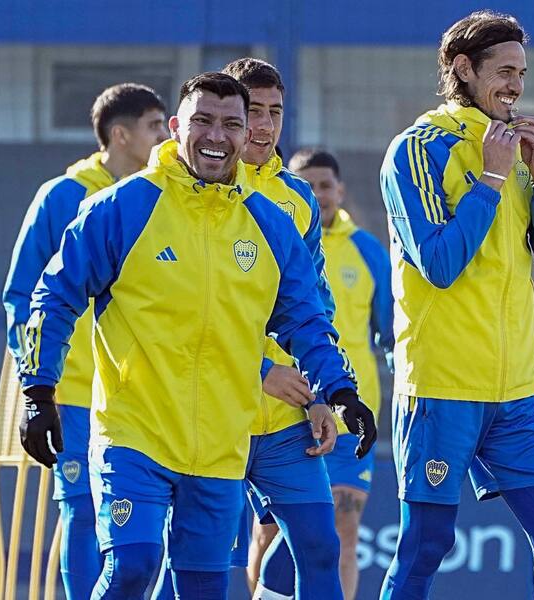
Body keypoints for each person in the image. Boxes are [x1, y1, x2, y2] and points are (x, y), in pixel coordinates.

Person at [16, 71, 376, 600]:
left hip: (220, 443)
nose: (218, 135)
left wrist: (339, 391)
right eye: (203, 121)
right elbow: (55, 295)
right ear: (178, 127)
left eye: (231, 123)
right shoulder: (123, 206)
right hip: (135, 431)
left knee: (205, 587)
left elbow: (306, 318)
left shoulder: (269, 223)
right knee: (134, 565)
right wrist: (37, 391)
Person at [379, 10, 534, 600]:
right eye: (503, 71)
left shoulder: (520, 151)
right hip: (442, 387)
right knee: (425, 545)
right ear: (463, 70)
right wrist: (491, 182)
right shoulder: (416, 149)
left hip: (518, 391)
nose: (515, 86)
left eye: (521, 73)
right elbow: (439, 264)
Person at [152, 57, 354, 600]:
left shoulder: (297, 199)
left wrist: (320, 395)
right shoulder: (182, 196)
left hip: (283, 419)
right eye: (254, 112)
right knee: (197, 564)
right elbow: (180, 313)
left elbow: (314, 308)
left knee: (319, 546)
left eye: (275, 113)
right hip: (210, 411)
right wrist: (260, 369)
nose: (264, 126)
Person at [2, 83, 167, 599]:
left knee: (143, 523)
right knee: (81, 509)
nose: (167, 135)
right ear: (120, 135)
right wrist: (37, 385)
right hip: (74, 392)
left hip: (139, 393)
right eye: (155, 126)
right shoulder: (63, 196)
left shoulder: (164, 198)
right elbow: (22, 295)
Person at [251, 148, 393, 600]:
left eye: (325, 185)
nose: (317, 195)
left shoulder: (368, 250)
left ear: (340, 190)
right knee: (271, 537)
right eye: (306, 185)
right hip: (278, 408)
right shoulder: (266, 233)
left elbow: (390, 332)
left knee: (341, 533)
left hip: (347, 413)